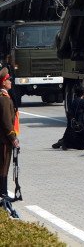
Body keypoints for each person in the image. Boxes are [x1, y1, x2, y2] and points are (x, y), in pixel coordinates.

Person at [0, 68, 19, 199]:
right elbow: (7, 122)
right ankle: (3, 193)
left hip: (3, 138)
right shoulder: (4, 99)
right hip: (4, 139)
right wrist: (13, 138)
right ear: (3, 82)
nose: (10, 82)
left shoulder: (5, 97)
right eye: (8, 80)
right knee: (4, 166)